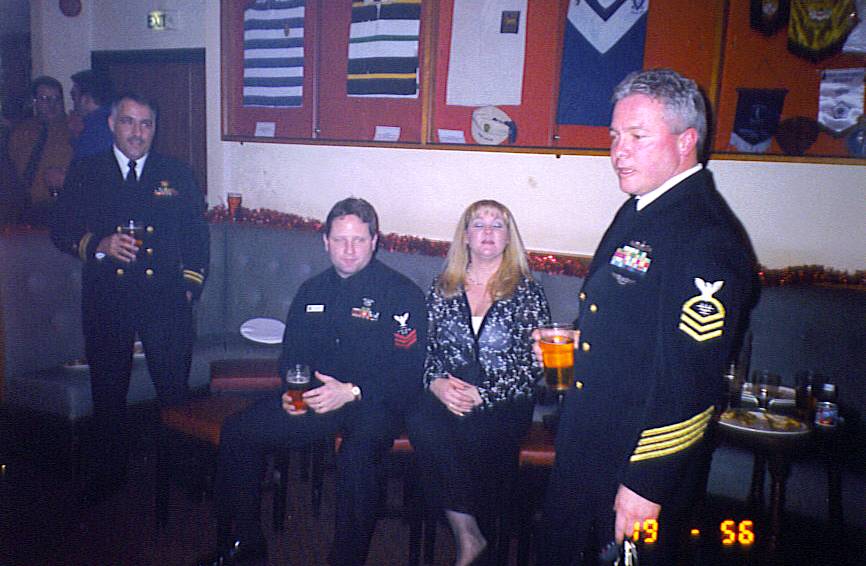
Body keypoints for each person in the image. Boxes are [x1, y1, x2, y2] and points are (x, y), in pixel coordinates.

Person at [537, 69, 758, 565]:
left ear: (686, 141)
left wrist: (646, 484)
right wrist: (574, 345)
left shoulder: (705, 235)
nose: (619, 151)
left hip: (635, 460)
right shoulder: (644, 208)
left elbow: (691, 380)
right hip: (592, 441)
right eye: (615, 136)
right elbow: (628, 325)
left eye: (637, 136)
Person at [199, 198, 427, 566]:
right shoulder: (312, 291)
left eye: (358, 240)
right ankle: (244, 543)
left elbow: (409, 370)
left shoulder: (401, 293)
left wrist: (352, 391)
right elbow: (292, 355)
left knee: (356, 459)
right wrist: (293, 390)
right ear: (325, 242)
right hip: (317, 398)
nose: (349, 249)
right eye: (339, 240)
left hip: (375, 402)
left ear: (374, 241)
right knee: (239, 431)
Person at [50, 93, 209, 503]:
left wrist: (190, 286)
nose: (137, 133)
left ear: (155, 127)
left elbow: (196, 234)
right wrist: (99, 244)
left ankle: (183, 472)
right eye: (128, 122)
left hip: (165, 299)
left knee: (174, 390)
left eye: (146, 124)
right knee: (108, 391)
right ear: (111, 124)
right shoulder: (87, 170)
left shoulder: (175, 172)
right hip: (109, 297)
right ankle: (109, 472)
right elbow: (61, 228)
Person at [408, 200, 550, 566]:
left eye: (497, 225)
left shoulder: (527, 292)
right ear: (466, 237)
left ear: (508, 238)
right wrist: (436, 383)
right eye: (479, 225)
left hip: (505, 399)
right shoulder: (443, 287)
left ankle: (480, 531)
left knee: (472, 435)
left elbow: (535, 366)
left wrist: (484, 394)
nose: (488, 232)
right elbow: (423, 348)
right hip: (448, 391)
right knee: (420, 421)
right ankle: (468, 533)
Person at [5, 76, 73, 225]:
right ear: (34, 101)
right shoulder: (21, 131)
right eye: (45, 99)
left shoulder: (73, 129)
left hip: (59, 206)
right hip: (21, 207)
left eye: (56, 99)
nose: (52, 105)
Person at [70, 69, 114, 160]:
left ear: (86, 99)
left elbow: (81, 162)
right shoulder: (117, 120)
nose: (73, 103)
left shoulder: (93, 129)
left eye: (74, 96)